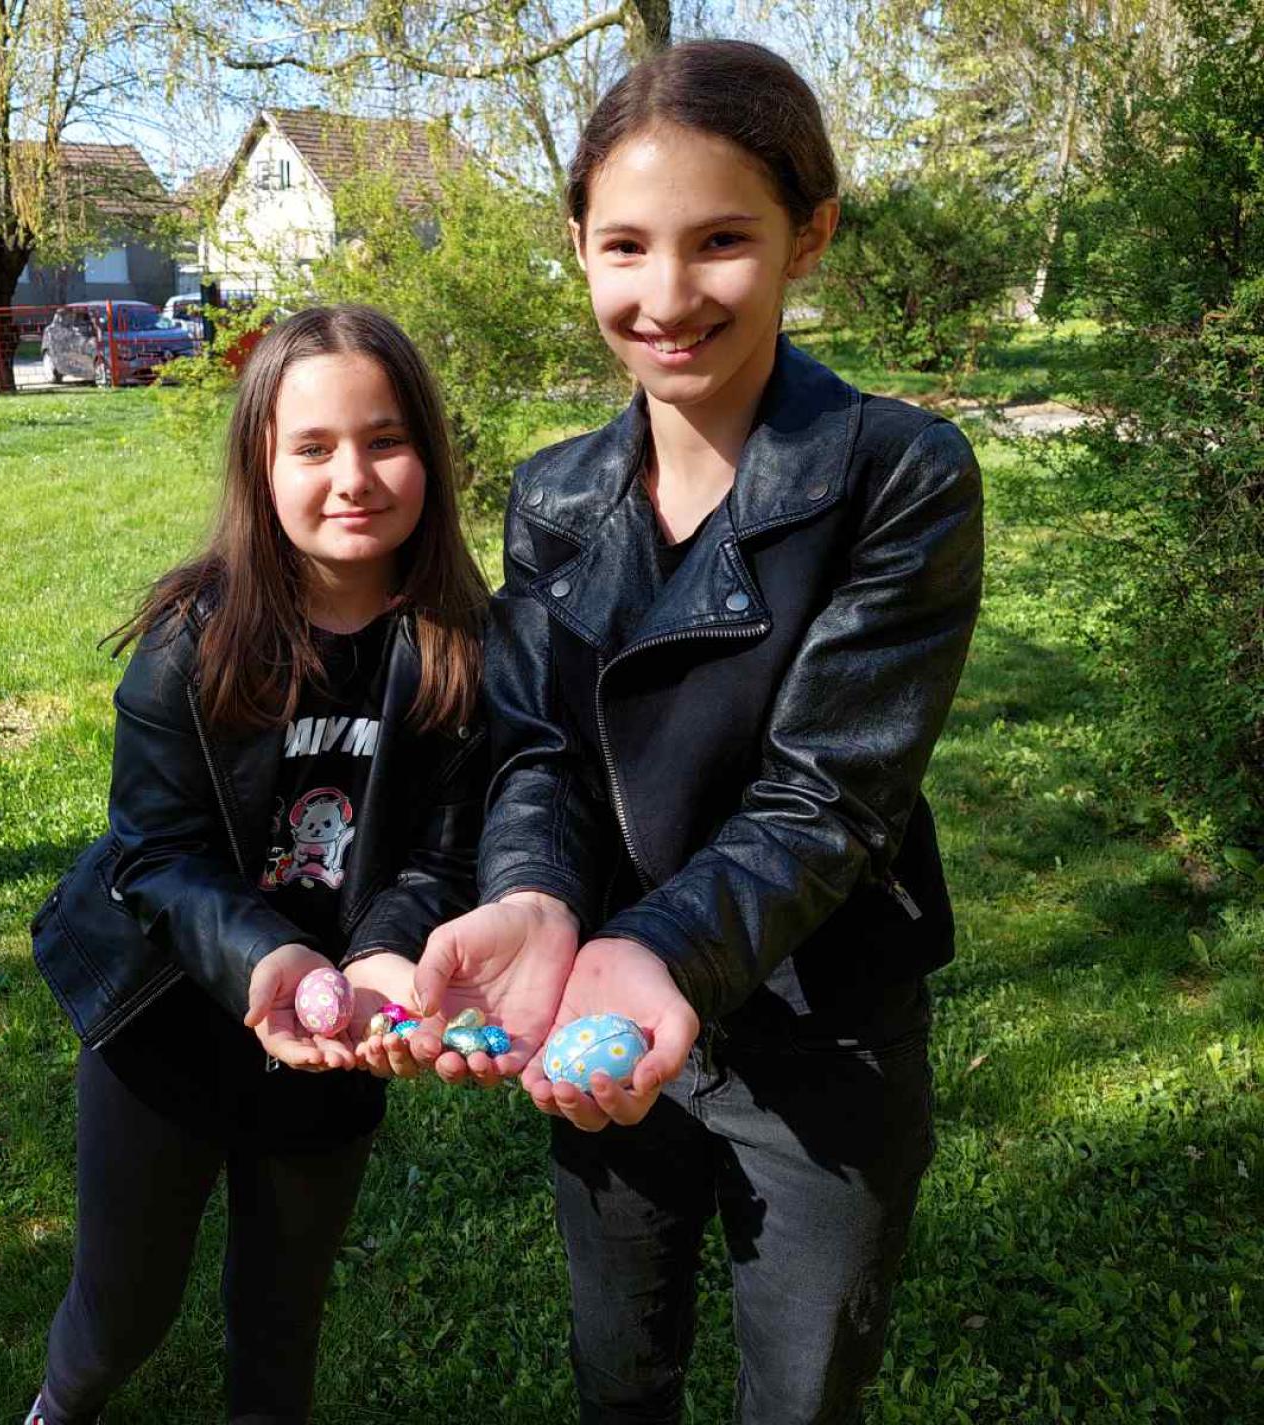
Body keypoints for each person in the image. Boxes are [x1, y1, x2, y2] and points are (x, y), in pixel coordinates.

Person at [384, 39, 985, 1424]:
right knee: (619, 1370)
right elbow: (538, 747)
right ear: (577, 247)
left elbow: (828, 794)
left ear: (807, 237)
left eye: (720, 241)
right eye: (625, 246)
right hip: (598, 1006)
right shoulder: (554, 496)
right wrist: (534, 897)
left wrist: (657, 947)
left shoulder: (897, 476)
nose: (665, 298)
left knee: (802, 1392)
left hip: (820, 1026)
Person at [27, 305, 489, 1425]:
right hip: (166, 1024)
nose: (353, 478)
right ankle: (59, 1407)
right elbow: (154, 849)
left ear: (428, 453)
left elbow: (443, 854)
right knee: (124, 1308)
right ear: (261, 467)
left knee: (281, 1320)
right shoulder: (194, 639)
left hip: (337, 1040)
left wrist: (379, 957)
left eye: (385, 440)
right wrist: (268, 955)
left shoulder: (464, 649)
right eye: (313, 447)